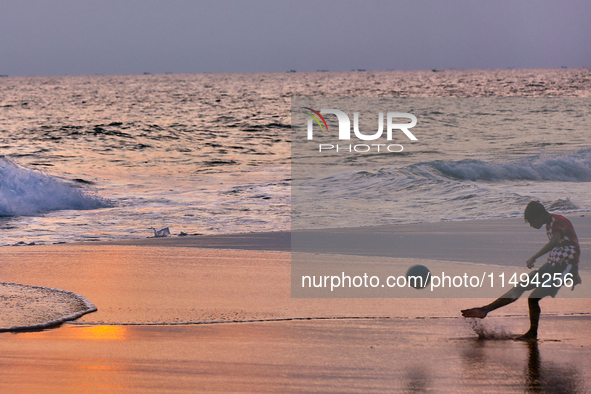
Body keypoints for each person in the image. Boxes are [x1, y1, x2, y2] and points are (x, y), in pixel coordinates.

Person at [461, 201, 581, 340]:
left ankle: (532, 333)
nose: (531, 225)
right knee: (520, 286)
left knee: (533, 299)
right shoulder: (550, 223)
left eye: (531, 221)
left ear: (540, 215)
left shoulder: (559, 221)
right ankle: (484, 310)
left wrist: (535, 257)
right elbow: (568, 244)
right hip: (551, 265)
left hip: (563, 267)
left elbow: (556, 242)